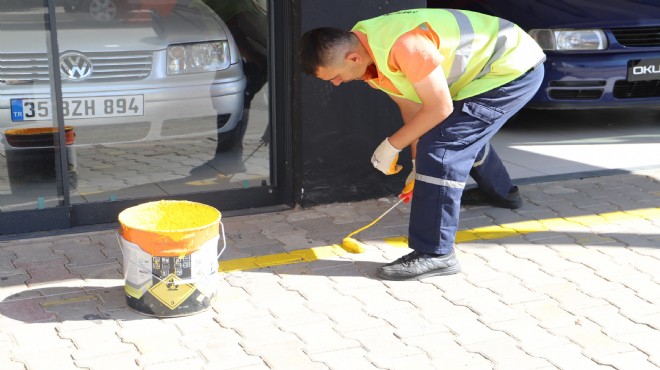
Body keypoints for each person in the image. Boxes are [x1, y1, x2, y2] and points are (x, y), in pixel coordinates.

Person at [299, 8, 545, 280]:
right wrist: (417, 166)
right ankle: (501, 193)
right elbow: (415, 111)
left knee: (443, 151)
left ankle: (436, 254)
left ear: (352, 57)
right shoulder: (368, 54)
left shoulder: (406, 45)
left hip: (511, 69)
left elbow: (439, 108)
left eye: (334, 76)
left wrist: (391, 145)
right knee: (453, 136)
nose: (336, 84)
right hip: (482, 75)